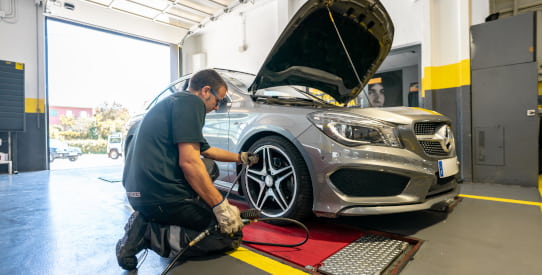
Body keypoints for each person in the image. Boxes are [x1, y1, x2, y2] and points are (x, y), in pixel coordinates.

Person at [116, 69, 259, 270]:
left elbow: (207, 152)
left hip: (138, 195)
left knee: (209, 167)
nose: (217, 107)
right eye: (218, 100)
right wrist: (221, 206)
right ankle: (149, 234)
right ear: (205, 91)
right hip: (162, 197)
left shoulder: (172, 104)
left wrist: (240, 157)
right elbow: (189, 163)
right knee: (228, 235)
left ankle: (147, 219)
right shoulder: (191, 103)